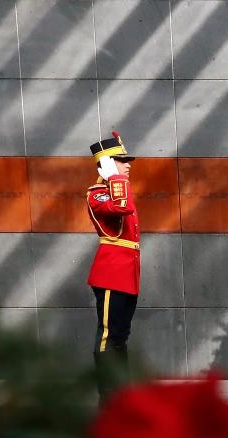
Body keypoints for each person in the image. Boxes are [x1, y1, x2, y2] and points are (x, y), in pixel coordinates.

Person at [86, 131, 139, 401]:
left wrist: (117, 178)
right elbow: (122, 209)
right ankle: (109, 397)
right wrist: (114, 177)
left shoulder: (116, 190)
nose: (128, 164)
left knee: (120, 335)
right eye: (121, 160)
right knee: (108, 336)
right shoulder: (98, 194)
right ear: (106, 164)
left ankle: (122, 393)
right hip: (110, 275)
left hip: (126, 275)